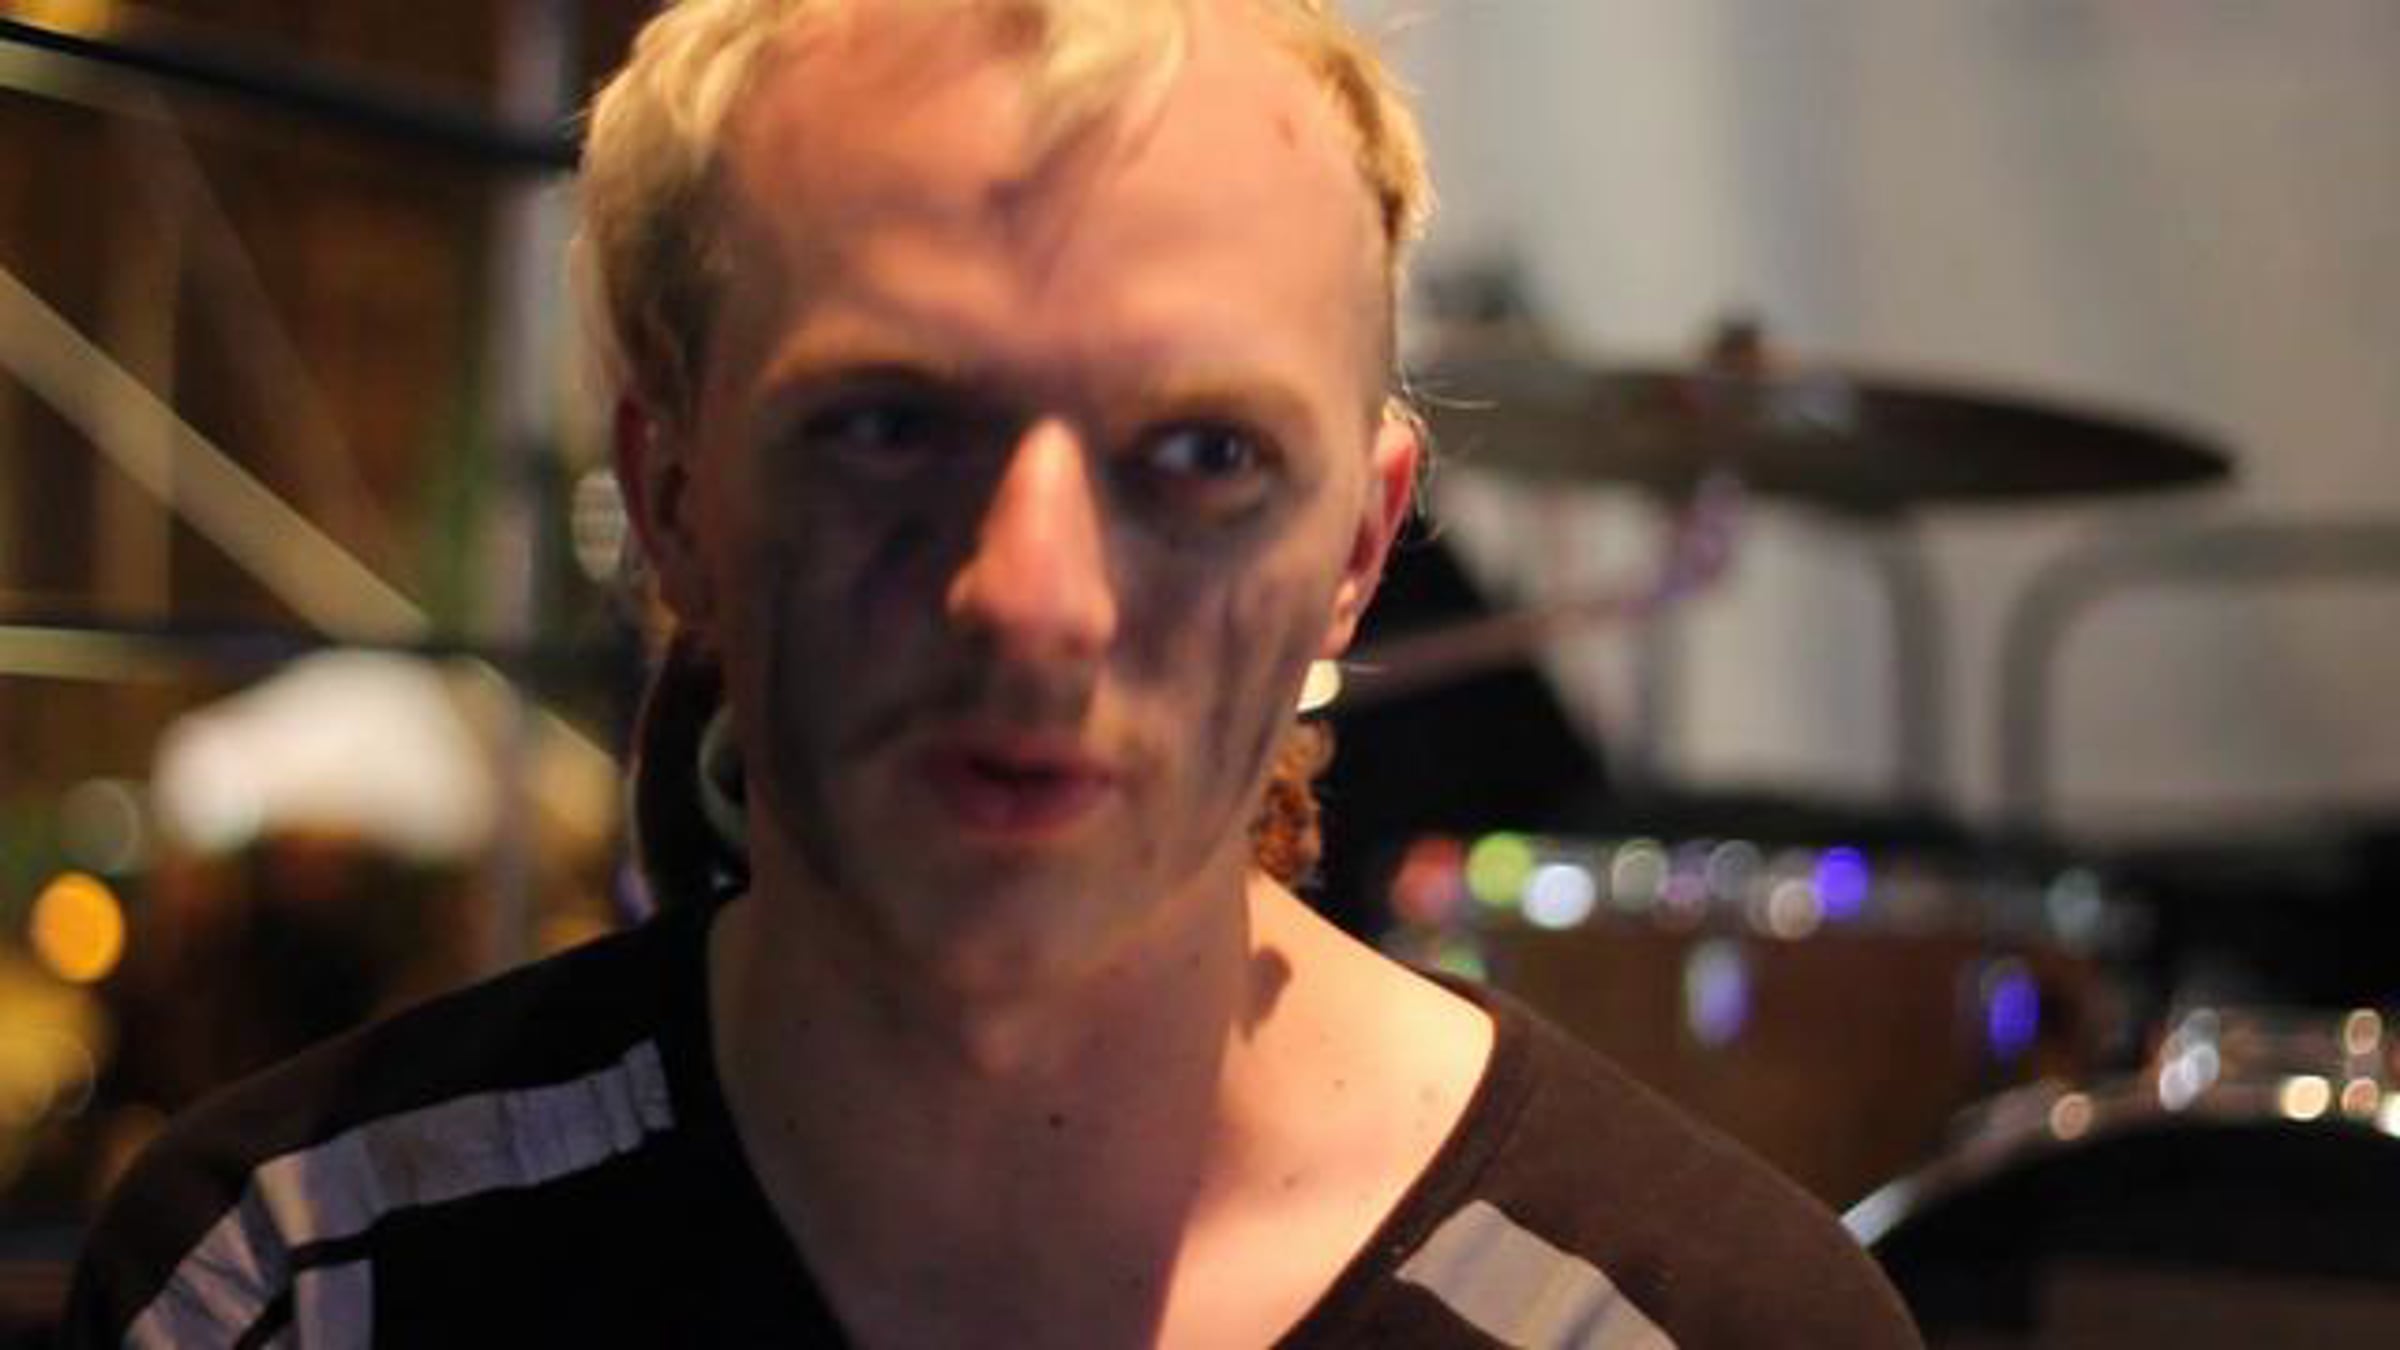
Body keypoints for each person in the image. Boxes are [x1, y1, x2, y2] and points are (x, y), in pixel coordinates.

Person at [63, 1, 1920, 1345]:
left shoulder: (1694, 1319)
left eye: (1202, 455)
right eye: (888, 426)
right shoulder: (305, 1277)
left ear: (1359, 550)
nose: (1035, 600)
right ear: (676, 499)